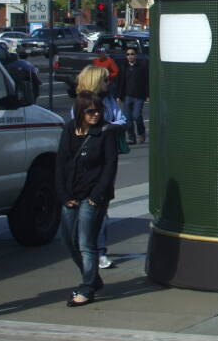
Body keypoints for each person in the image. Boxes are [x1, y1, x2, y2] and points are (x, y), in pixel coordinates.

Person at [55, 91, 118, 307]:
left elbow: (110, 165)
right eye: (90, 111)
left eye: (98, 110)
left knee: (86, 243)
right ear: (81, 111)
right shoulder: (69, 129)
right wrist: (63, 195)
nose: (95, 114)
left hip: (93, 196)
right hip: (71, 194)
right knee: (68, 241)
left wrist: (96, 196)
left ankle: (88, 287)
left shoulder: (105, 132)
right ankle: (92, 278)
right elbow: (61, 162)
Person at [73, 65, 126, 269]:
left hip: (106, 156)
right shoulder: (81, 102)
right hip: (86, 162)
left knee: (100, 204)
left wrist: (111, 126)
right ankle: (91, 249)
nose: (108, 83)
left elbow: (122, 119)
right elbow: (74, 129)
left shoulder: (109, 99)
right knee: (88, 207)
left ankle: (98, 250)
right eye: (104, 80)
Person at [116, 47, 148, 145]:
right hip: (127, 97)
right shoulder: (123, 67)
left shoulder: (142, 66)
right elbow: (120, 82)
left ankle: (141, 133)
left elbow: (147, 81)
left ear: (136, 55)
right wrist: (118, 96)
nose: (130, 56)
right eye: (128, 54)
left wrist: (147, 94)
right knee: (127, 119)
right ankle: (131, 138)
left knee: (137, 116)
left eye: (132, 54)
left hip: (139, 96)